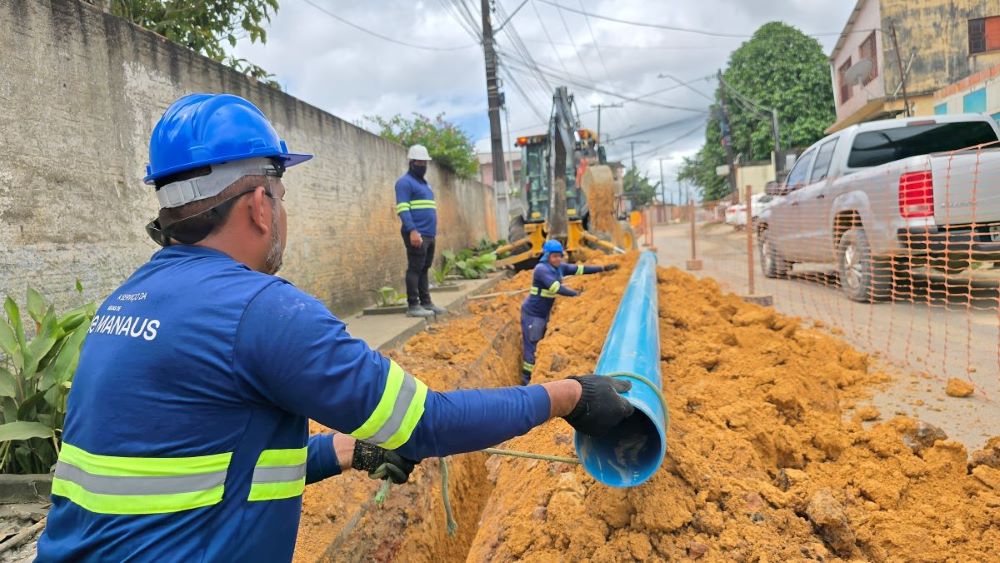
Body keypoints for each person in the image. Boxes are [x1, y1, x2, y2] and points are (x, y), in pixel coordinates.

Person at [35, 93, 634, 562]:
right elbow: (428, 425)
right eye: (282, 194)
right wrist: (571, 396)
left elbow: (207, 463)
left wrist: (344, 450)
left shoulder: (125, 301)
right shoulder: (260, 312)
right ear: (260, 205)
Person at [520, 240, 619, 384]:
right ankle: (527, 381)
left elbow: (580, 269)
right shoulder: (541, 269)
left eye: (560, 256)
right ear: (547, 256)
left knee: (539, 343)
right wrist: (576, 295)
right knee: (532, 347)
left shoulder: (559, 267)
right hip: (533, 315)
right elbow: (556, 288)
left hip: (544, 313)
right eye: (554, 256)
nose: (558, 259)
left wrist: (603, 268)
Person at [395, 145, 444, 318]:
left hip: (429, 234)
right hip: (416, 233)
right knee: (415, 268)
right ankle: (413, 305)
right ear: (412, 162)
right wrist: (412, 231)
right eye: (420, 162)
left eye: (425, 162)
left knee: (424, 268)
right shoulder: (404, 183)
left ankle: (426, 302)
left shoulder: (425, 185)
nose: (423, 165)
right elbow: (403, 209)